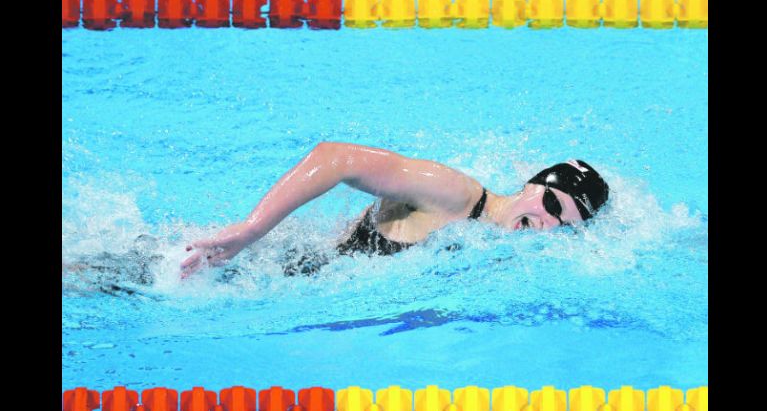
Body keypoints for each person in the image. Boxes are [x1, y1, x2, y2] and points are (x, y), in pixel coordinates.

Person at [181, 142, 610, 278]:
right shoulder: (455, 193)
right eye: (552, 203)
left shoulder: (488, 238)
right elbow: (336, 157)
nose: (547, 224)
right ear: (532, 184)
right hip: (240, 272)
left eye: (564, 225)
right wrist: (252, 229)